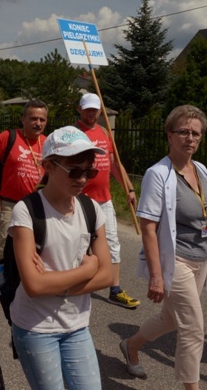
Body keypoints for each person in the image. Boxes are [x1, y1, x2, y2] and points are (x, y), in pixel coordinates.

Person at [119, 105, 207, 390]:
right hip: (176, 261)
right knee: (193, 329)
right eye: (183, 131)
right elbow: (148, 227)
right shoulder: (157, 174)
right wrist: (157, 275)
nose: (190, 138)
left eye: (195, 133)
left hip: (201, 259)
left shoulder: (202, 170)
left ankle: (130, 345)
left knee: (171, 318)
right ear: (169, 135)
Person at [10, 125, 113, 389]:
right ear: (49, 166)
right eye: (75, 171)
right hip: (36, 328)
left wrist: (54, 283)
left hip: (77, 325)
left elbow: (109, 275)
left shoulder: (91, 209)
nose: (82, 179)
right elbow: (34, 286)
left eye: (89, 171)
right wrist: (87, 270)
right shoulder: (27, 211)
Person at [76, 93, 139, 309]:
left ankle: (115, 289)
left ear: (100, 110)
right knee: (79, 244)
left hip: (104, 200)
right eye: (87, 109)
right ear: (79, 109)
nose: (91, 113)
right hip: (79, 200)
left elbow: (114, 164)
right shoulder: (73, 133)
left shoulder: (104, 132)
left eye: (95, 110)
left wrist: (129, 188)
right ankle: (74, 283)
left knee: (112, 243)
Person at [0, 99, 48, 290]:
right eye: (33, 118)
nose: (38, 123)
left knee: (36, 245)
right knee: (6, 242)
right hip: (11, 203)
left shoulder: (47, 143)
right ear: (23, 119)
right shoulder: (7, 137)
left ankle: (22, 276)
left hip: (37, 205)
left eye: (42, 119)